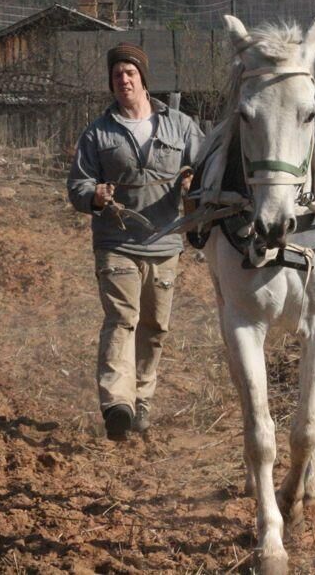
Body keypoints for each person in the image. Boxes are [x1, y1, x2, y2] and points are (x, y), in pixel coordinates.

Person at [67, 42, 205, 441]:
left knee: (154, 326)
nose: (123, 80)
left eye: (129, 73)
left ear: (143, 78)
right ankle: (117, 404)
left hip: (164, 243)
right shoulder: (98, 133)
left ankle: (141, 399)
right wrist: (94, 194)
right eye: (116, 75)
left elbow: (206, 167)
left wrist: (192, 182)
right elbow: (77, 184)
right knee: (122, 319)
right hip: (117, 240)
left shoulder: (180, 126)